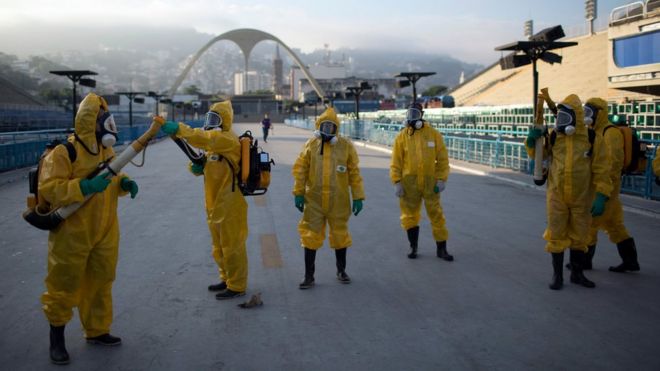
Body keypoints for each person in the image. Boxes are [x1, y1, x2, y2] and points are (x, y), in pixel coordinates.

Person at [39, 93, 139, 364]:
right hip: (72, 232)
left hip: (106, 229)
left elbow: (111, 178)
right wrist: (82, 187)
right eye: (100, 117)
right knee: (64, 283)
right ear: (88, 121)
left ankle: (97, 330)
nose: (106, 122)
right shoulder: (64, 152)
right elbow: (49, 189)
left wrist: (124, 183)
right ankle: (56, 338)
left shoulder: (106, 150)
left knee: (101, 281)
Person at [161, 101, 248, 300]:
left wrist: (179, 129)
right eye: (209, 118)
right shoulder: (214, 146)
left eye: (215, 119)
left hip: (231, 203)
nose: (210, 123)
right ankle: (226, 279)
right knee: (218, 246)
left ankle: (237, 285)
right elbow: (206, 165)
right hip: (214, 203)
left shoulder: (226, 139)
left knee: (232, 246)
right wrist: (196, 168)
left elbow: (201, 138)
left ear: (224, 121)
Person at [526, 94, 612, 290]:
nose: (561, 123)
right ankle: (557, 276)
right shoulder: (555, 136)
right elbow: (540, 156)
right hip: (556, 195)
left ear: (577, 117)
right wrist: (531, 142)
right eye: (559, 118)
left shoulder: (592, 138)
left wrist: (601, 194)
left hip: (582, 197)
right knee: (556, 234)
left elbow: (602, 168)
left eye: (565, 118)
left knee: (580, 236)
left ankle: (577, 273)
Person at [292, 107, 365, 289]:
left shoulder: (345, 146)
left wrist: (358, 196)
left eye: (331, 127)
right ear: (318, 126)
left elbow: (354, 173)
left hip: (338, 201)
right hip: (314, 201)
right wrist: (298, 193)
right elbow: (300, 170)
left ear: (336, 129)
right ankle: (309, 275)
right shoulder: (311, 145)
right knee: (310, 236)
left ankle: (341, 271)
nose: (327, 130)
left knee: (340, 235)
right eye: (323, 126)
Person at [580, 97, 640, 272]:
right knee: (614, 224)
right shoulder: (594, 131)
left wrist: (602, 192)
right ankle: (631, 261)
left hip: (606, 188)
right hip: (605, 187)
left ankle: (584, 261)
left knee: (590, 223)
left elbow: (612, 164)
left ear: (600, 113)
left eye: (590, 112)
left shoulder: (610, 133)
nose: (587, 116)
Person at [390, 102, 452, 261]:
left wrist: (441, 179)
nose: (412, 117)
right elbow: (396, 162)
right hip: (409, 185)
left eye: (415, 114)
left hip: (431, 184)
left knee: (436, 215)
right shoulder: (402, 137)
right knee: (409, 216)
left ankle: (442, 249)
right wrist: (397, 182)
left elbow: (443, 160)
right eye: (410, 114)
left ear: (422, 115)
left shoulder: (433, 134)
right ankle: (413, 247)